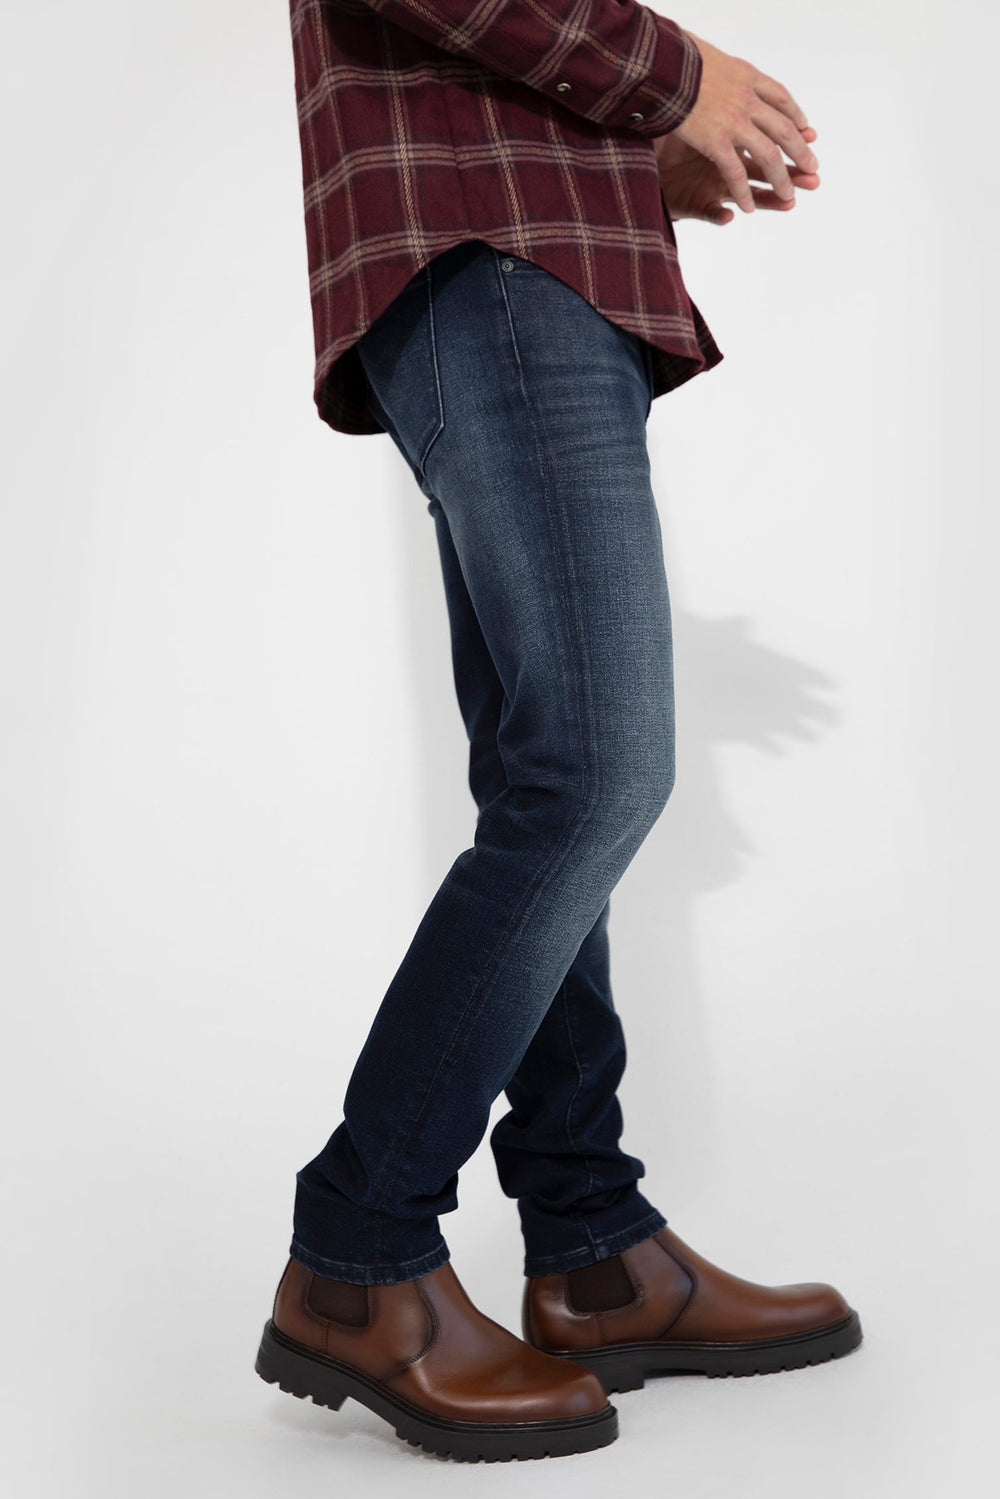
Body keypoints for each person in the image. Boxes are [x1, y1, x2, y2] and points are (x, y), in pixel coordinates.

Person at [254, 0, 862, 1462]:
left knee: (551, 777)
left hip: (523, 249)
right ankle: (359, 1254)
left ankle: (595, 1251)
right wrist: (674, 81)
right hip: (498, 260)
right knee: (591, 779)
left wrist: (621, 154)